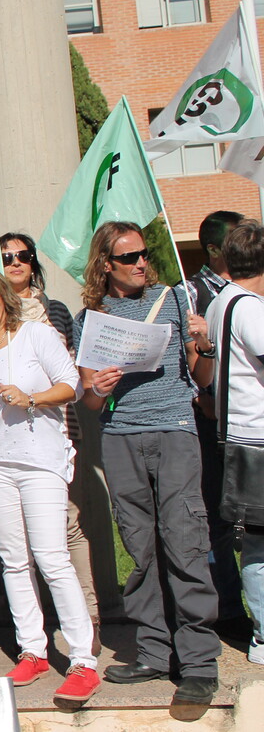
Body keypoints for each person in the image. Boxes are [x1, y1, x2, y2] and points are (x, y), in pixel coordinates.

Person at [74, 221, 220, 704]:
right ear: (106, 264)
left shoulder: (175, 299)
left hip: (175, 430)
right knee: (140, 547)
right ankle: (155, 652)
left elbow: (202, 376)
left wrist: (205, 344)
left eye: (143, 254)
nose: (141, 263)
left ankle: (198, 661)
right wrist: (98, 389)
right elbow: (89, 400)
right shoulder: (91, 316)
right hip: (120, 437)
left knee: (185, 541)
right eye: (128, 257)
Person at [0, 266, 100, 704]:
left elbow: (72, 385)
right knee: (13, 561)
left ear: (4, 296)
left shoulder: (36, 335)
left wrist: (32, 398)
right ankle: (32, 650)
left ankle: (83, 661)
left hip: (40, 461)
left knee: (52, 558)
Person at [0, 233, 99, 630]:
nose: (15, 262)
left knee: (66, 524)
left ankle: (87, 615)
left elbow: (73, 372)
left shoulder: (55, 310)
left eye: (23, 255)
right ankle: (33, 628)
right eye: (6, 256)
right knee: (17, 538)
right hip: (7, 436)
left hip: (57, 428)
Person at [204, 219, 264, 667]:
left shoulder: (221, 301)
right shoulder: (251, 309)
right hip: (257, 438)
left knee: (255, 541)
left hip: (237, 436)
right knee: (260, 545)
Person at [190, 211, 253, 639]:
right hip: (208, 423)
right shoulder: (191, 293)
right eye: (236, 242)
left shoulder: (252, 291)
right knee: (217, 520)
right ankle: (228, 610)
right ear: (215, 250)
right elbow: (186, 362)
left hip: (246, 421)